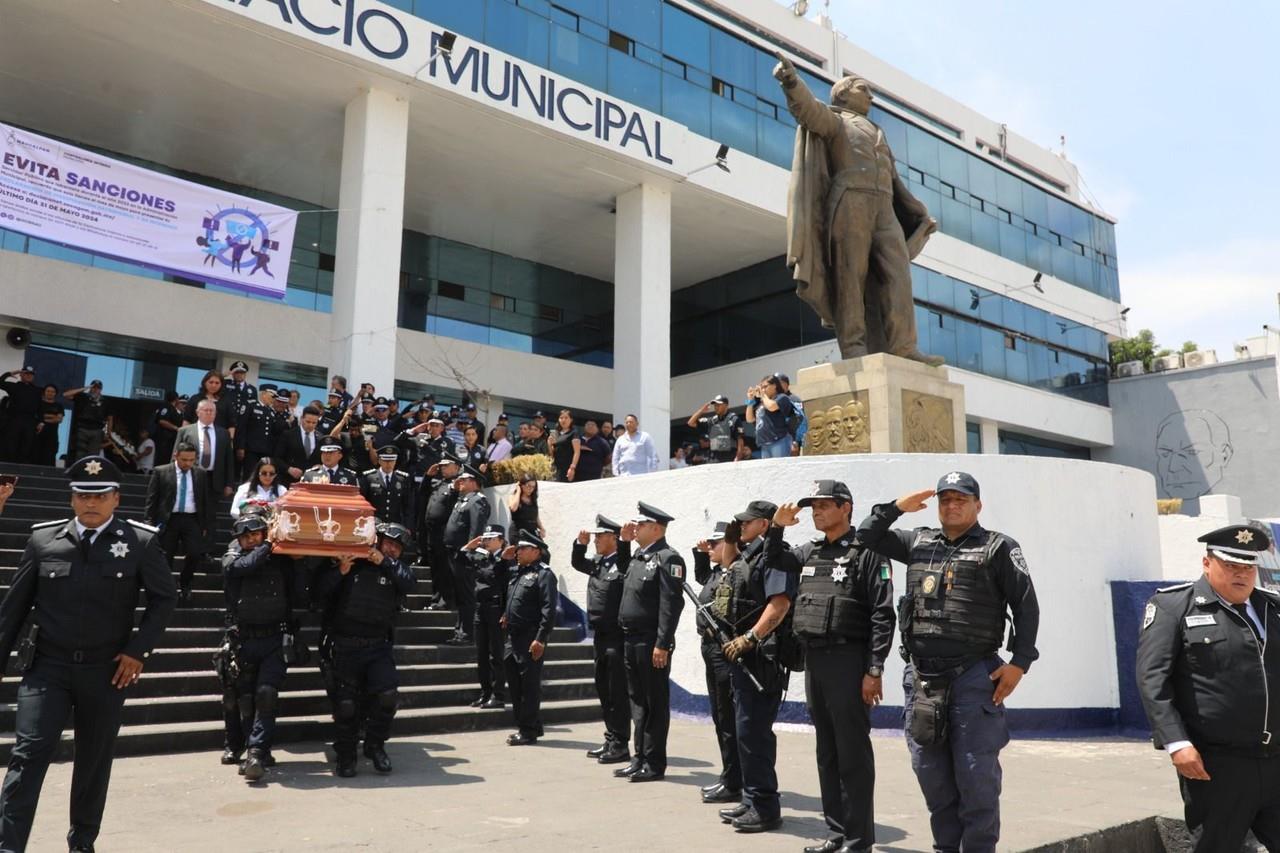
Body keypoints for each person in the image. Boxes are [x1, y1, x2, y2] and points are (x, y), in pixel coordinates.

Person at [856, 471, 1040, 853]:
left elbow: (1026, 607)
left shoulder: (998, 547)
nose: (952, 506)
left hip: (973, 676)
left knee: (976, 778)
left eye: (961, 499)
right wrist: (895, 508)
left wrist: (1019, 662)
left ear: (977, 505)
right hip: (922, 679)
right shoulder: (917, 541)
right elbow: (866, 535)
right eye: (945, 499)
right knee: (931, 774)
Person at [0, 455, 176, 851]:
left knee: (93, 764)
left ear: (116, 498)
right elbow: (12, 610)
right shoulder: (44, 541)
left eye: (99, 495)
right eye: (82, 495)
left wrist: (138, 650)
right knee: (27, 757)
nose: (90, 503)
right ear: (71, 499)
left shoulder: (140, 542)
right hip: (47, 668)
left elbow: (165, 599)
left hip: (106, 671)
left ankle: (82, 842)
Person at [771, 53, 941, 366]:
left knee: (898, 274)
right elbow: (807, 111)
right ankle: (854, 348)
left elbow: (894, 179)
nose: (872, 97)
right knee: (851, 276)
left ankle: (904, 346)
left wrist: (915, 210)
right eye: (864, 89)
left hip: (883, 206)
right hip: (850, 201)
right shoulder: (835, 120)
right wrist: (791, 81)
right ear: (844, 94)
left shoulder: (878, 131)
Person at [1137, 523, 1280, 852]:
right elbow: (1152, 678)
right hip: (1218, 765)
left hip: (1276, 760)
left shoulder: (1273, 609)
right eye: (1231, 565)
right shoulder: (1175, 607)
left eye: (1248, 567)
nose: (1241, 574)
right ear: (1207, 563)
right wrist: (1176, 742)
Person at [769, 483, 894, 851]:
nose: (816, 512)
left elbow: (882, 614)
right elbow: (774, 561)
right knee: (827, 752)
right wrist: (777, 528)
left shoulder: (868, 553)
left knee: (852, 752)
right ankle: (836, 833)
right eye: (813, 507)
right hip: (816, 662)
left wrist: (874, 669)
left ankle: (858, 841)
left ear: (846, 508)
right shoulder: (810, 551)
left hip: (849, 661)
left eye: (824, 505)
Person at [314, 523, 417, 777]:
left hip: (377, 645)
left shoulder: (394, 569)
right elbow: (318, 593)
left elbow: (410, 583)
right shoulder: (353, 562)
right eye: (388, 543)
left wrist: (385, 562)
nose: (392, 549)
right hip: (346, 644)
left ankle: (375, 745)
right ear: (377, 540)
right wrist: (340, 571)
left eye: (397, 547)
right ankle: (347, 755)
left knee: (388, 695)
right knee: (346, 705)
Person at [222, 513, 299, 782]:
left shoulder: (278, 559)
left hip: (273, 639)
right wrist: (269, 544)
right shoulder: (233, 558)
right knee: (245, 700)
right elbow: (246, 567)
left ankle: (256, 751)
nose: (253, 539)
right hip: (244, 639)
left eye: (257, 534)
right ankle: (248, 748)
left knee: (266, 695)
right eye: (247, 536)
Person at [616, 502, 686, 783]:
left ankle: (654, 763)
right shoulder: (638, 557)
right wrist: (623, 542)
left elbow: (671, 605)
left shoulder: (668, 559)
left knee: (654, 702)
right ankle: (639, 758)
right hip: (630, 639)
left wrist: (663, 643)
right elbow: (621, 572)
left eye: (641, 525)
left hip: (650, 642)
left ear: (656, 528)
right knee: (637, 702)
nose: (636, 528)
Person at [571, 515, 634, 765]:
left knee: (617, 692)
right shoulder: (598, 562)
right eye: (595, 537)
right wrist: (580, 544)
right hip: (599, 636)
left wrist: (627, 543)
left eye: (600, 536)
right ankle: (610, 738)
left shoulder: (623, 563)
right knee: (604, 690)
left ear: (613, 538)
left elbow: (628, 567)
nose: (596, 540)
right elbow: (577, 563)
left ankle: (620, 744)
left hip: (617, 637)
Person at [690, 521, 741, 805]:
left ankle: (735, 781)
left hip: (725, 652)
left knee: (728, 719)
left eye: (714, 544)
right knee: (719, 717)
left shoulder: (734, 573)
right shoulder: (716, 573)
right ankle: (729, 775)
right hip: (710, 650)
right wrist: (701, 553)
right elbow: (701, 579)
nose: (709, 548)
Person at [501, 529, 558, 745]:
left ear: (535, 551)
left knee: (529, 686)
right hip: (512, 637)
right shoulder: (518, 572)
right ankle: (530, 724)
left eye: (522, 548)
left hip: (529, 637)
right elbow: (515, 598)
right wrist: (506, 614)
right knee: (515, 684)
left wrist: (541, 638)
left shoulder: (544, 575)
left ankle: (527, 731)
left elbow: (548, 610)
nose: (518, 551)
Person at [145, 442, 214, 604]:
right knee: (166, 556)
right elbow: (152, 499)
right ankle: (167, 588)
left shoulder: (200, 474)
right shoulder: (161, 472)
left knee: (195, 553)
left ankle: (185, 583)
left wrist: (205, 524)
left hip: (191, 519)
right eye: (184, 460)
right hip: (169, 519)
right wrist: (149, 521)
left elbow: (205, 500)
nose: (187, 464)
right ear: (176, 455)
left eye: (191, 460)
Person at [460, 524, 512, 710]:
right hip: (481, 608)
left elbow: (508, 586)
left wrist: (507, 612)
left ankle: (498, 695)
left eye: (491, 538)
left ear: (501, 540)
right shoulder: (481, 556)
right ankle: (485, 693)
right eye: (486, 538)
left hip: (497, 608)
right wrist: (468, 547)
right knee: (481, 654)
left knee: (496, 654)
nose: (487, 541)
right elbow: (461, 560)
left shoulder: (508, 559)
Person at [443, 466, 491, 645]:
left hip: (464, 555)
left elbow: (476, 530)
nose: (460, 482)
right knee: (460, 595)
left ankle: (466, 632)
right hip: (455, 553)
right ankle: (460, 629)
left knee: (466, 595)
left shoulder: (477, 500)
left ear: (474, 482)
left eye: (464, 479)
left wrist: (469, 552)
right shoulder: (464, 499)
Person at [419, 453, 461, 611]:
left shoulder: (458, 484)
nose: (442, 468)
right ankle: (436, 598)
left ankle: (446, 600)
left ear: (456, 467)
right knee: (435, 568)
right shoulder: (439, 483)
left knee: (445, 569)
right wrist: (428, 477)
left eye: (446, 465)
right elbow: (422, 493)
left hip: (445, 533)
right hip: (432, 533)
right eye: (441, 465)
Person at [236, 385, 284, 481]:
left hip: (265, 451)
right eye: (272, 396)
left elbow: (274, 431)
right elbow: (242, 427)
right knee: (250, 475)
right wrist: (240, 447)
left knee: (262, 475)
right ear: (263, 394)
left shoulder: (271, 412)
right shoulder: (250, 405)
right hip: (251, 449)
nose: (273, 400)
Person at [360, 446, 414, 527]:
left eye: (392, 461)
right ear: (379, 461)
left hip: (395, 524)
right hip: (374, 523)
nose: (388, 464)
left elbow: (408, 506)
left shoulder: (402, 479)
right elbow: (363, 503)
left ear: (395, 461)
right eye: (385, 461)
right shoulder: (369, 477)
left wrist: (408, 526)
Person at [745, 375, 797, 459]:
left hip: (779, 440)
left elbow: (772, 407)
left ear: (775, 385)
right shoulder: (761, 403)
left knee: (781, 468)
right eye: (761, 388)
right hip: (764, 443)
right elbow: (749, 419)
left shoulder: (782, 397)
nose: (763, 390)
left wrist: (762, 395)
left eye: (765, 386)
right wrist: (750, 400)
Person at [688, 395, 746, 464]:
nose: (716, 407)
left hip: (729, 458)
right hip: (713, 460)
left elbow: (740, 440)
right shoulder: (711, 421)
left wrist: (738, 458)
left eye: (719, 405)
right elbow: (691, 423)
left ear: (726, 405)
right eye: (715, 405)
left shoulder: (734, 419)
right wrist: (701, 411)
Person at [0, 366, 41, 464]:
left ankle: (21, 468)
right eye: (26, 373)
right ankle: (8, 466)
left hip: (30, 421)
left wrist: (40, 422)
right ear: (21, 375)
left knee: (27, 445)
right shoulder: (14, 386)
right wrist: (10, 373)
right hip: (15, 419)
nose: (29, 376)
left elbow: (40, 407)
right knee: (11, 443)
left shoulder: (37, 390)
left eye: (31, 374)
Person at [274, 406, 323, 484]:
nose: (310, 425)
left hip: (312, 482)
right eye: (308, 422)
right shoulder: (288, 435)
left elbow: (322, 459)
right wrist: (289, 469)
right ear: (301, 419)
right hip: (289, 480)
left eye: (314, 423)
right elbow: (277, 458)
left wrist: (321, 466)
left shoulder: (320, 437)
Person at [64, 379, 109, 460]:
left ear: (101, 389)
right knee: (80, 454)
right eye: (94, 387)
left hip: (97, 430)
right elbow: (66, 394)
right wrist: (86, 388)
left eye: (98, 388)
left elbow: (109, 417)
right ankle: (80, 471)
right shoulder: (83, 397)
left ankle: (90, 472)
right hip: (83, 429)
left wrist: (107, 432)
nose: (95, 389)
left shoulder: (105, 401)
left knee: (93, 456)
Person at [183, 369, 236, 434]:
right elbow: (187, 420)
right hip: (195, 438)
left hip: (219, 439)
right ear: (205, 382)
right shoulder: (195, 398)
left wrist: (230, 440)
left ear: (221, 384)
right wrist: (183, 437)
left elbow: (231, 424)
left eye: (217, 383)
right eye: (211, 382)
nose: (214, 385)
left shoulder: (226, 401)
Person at [506, 474, 544, 542]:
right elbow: (513, 508)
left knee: (543, 552)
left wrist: (542, 528)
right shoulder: (512, 497)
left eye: (533, 487)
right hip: (518, 532)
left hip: (532, 532)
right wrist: (518, 491)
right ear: (522, 485)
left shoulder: (533, 499)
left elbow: (536, 517)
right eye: (528, 486)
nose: (531, 489)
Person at [34, 383, 64, 467]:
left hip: (52, 436)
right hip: (38, 435)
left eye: (52, 391)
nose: (50, 393)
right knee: (36, 456)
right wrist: (52, 416)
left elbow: (59, 419)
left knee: (50, 457)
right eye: (48, 391)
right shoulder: (38, 403)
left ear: (55, 393)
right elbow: (35, 417)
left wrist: (43, 418)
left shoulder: (59, 405)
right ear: (44, 392)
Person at [550, 409, 582, 483]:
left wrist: (572, 467)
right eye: (561, 418)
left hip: (567, 467)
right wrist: (549, 444)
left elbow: (577, 452)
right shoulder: (556, 433)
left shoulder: (574, 433)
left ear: (571, 420)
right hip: (556, 467)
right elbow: (552, 453)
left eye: (566, 418)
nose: (563, 420)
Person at [152, 392, 184, 464]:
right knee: (162, 460)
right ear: (176, 399)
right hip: (164, 439)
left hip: (171, 441)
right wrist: (176, 428)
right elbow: (162, 421)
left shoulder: (174, 410)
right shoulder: (166, 407)